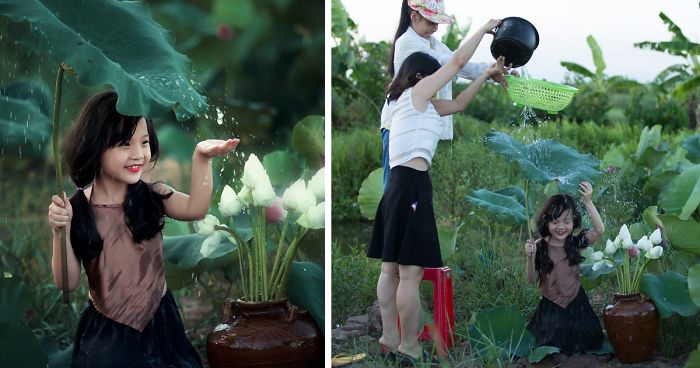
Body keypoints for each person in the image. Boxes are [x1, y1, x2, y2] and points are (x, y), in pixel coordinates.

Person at [47, 91, 239, 367]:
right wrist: (59, 231)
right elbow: (67, 283)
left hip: (159, 320)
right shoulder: (77, 211)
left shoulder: (151, 195)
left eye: (145, 142)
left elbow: (195, 208)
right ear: (96, 145)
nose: (138, 154)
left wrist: (201, 158)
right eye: (125, 144)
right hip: (111, 331)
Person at [367, 18, 506, 365]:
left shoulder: (407, 104)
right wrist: (486, 27)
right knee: (410, 274)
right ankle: (410, 347)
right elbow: (456, 62)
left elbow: (457, 104)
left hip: (396, 188)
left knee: (389, 271)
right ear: (420, 78)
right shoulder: (418, 93)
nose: (439, 84)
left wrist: (486, 76)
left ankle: (389, 338)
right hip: (413, 187)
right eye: (434, 78)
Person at [380, 0, 517, 188]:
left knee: (413, 190)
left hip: (419, 120)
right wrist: (482, 30)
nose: (435, 28)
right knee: (395, 189)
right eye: (431, 22)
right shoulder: (407, 43)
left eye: (437, 23)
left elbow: (464, 68)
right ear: (414, 17)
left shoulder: (435, 44)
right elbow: (455, 63)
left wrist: (497, 72)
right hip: (398, 124)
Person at [524, 182, 605, 353]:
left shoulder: (574, 243)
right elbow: (532, 279)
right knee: (553, 342)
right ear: (546, 222)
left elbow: (599, 230)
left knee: (585, 338)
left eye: (566, 221)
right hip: (551, 305)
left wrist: (588, 201)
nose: (561, 227)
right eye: (555, 222)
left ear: (573, 221)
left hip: (576, 301)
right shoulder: (539, 247)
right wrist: (529, 256)